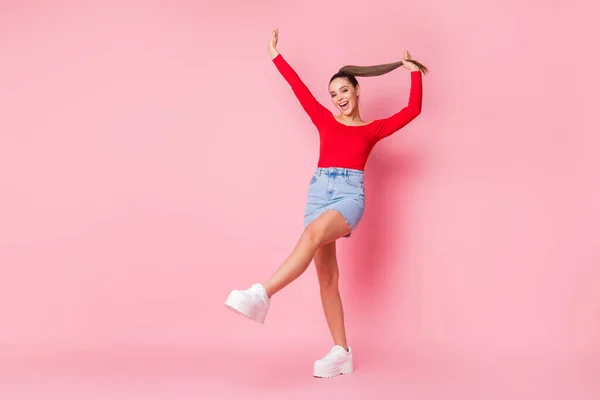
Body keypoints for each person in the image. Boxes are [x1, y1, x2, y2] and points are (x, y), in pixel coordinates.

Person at [225, 28, 427, 378]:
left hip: (349, 196)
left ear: (357, 90)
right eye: (333, 94)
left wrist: (411, 71)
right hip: (318, 192)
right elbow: (298, 89)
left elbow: (412, 110)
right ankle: (341, 352)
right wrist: (276, 56)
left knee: (312, 235)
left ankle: (262, 294)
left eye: (344, 91)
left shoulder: (372, 129)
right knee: (328, 279)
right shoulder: (323, 119)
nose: (338, 99)